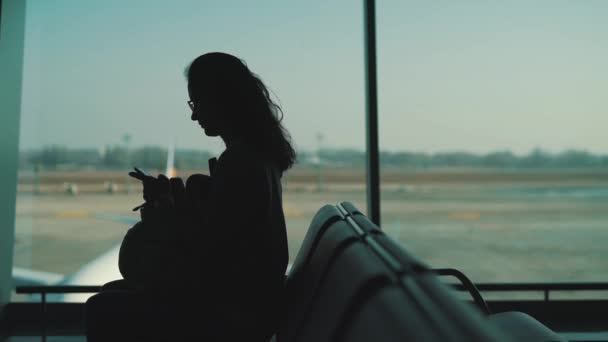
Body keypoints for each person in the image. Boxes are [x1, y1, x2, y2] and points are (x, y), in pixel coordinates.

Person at [86, 52, 295, 341]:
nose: (194, 114)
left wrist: (164, 211)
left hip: (235, 313)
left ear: (222, 99)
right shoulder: (256, 157)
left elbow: (209, 256)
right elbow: (225, 240)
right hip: (250, 304)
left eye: (197, 102)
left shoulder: (240, 162)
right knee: (110, 297)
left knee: (102, 306)